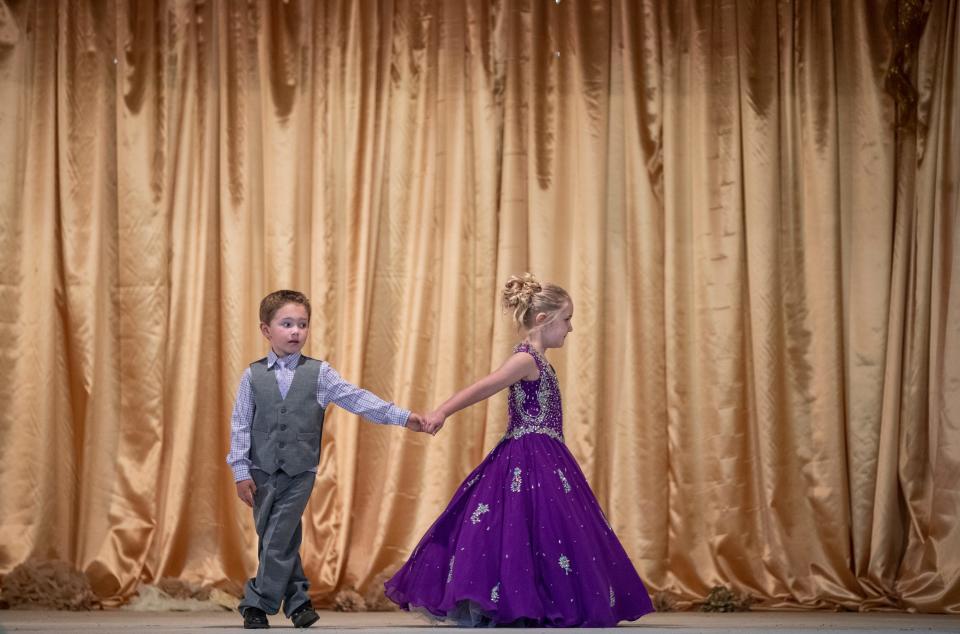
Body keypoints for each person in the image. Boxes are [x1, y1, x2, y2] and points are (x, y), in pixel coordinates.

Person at [384, 273, 654, 627]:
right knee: (522, 527)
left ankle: (539, 598)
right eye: (567, 319)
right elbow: (484, 386)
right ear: (544, 320)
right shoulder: (525, 360)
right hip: (528, 453)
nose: (570, 329)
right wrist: (442, 412)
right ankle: (518, 601)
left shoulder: (538, 360)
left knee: (545, 531)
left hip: (548, 454)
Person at [227, 289, 426, 629]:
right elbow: (241, 425)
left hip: (299, 472)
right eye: (286, 324)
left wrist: (404, 417)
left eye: (302, 325)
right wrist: (240, 470)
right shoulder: (252, 376)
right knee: (279, 536)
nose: (295, 332)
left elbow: (358, 399)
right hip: (260, 472)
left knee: (277, 535)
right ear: (266, 330)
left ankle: (256, 603)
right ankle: (300, 603)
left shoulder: (319, 374)